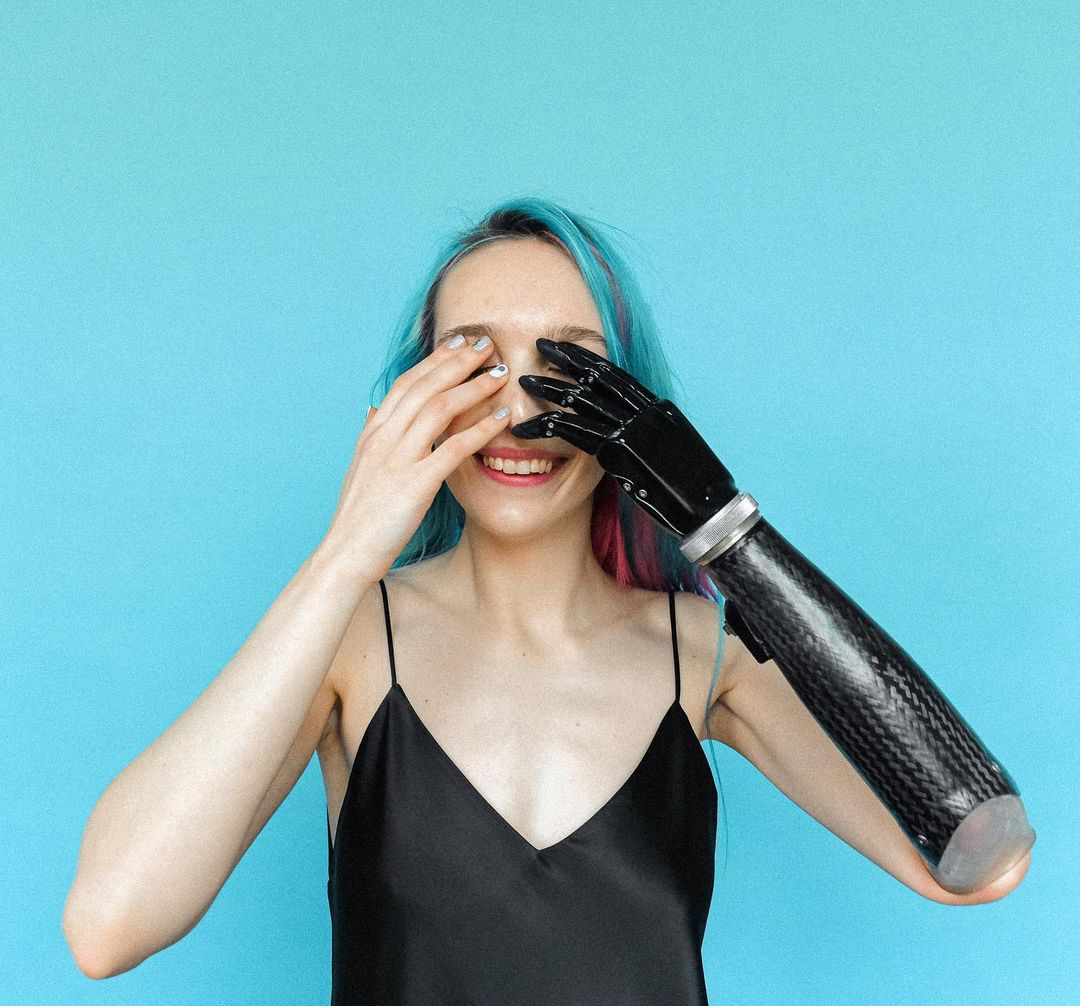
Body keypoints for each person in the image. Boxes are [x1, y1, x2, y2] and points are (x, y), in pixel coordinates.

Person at [62, 198, 1034, 1002]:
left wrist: (726, 529)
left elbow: (980, 854)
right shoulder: (349, 643)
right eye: (473, 360)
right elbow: (108, 926)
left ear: (630, 407)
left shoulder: (704, 656)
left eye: (568, 366)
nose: (521, 410)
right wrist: (347, 551)